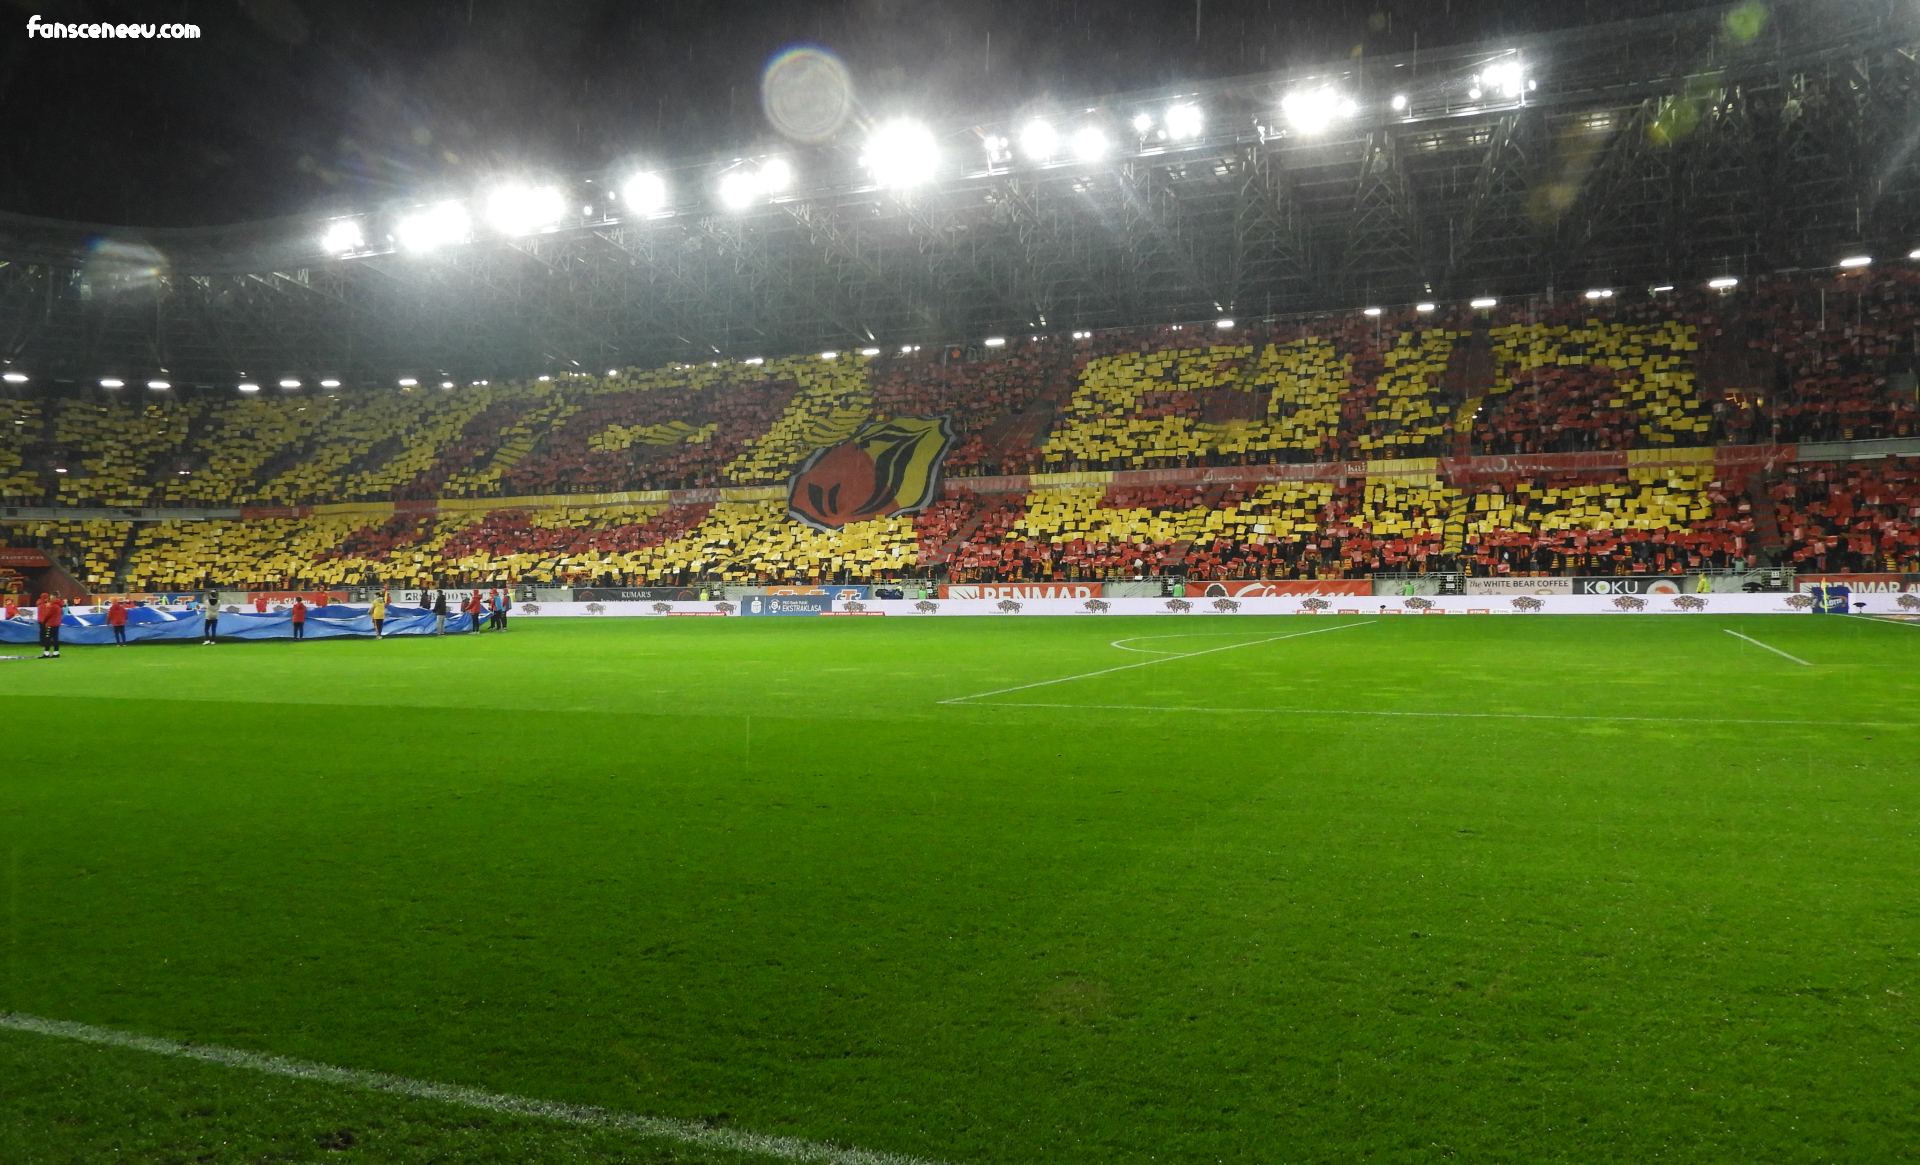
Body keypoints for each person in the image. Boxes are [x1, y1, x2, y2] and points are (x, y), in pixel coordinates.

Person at [37, 593, 64, 659]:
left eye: (51, 596)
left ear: (54, 597)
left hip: (51, 624)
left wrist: (44, 621)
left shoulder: (53, 606)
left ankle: (46, 653)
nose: (50, 598)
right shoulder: (59, 605)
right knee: (55, 638)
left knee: (48, 638)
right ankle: (56, 652)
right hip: (56, 623)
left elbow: (48, 615)